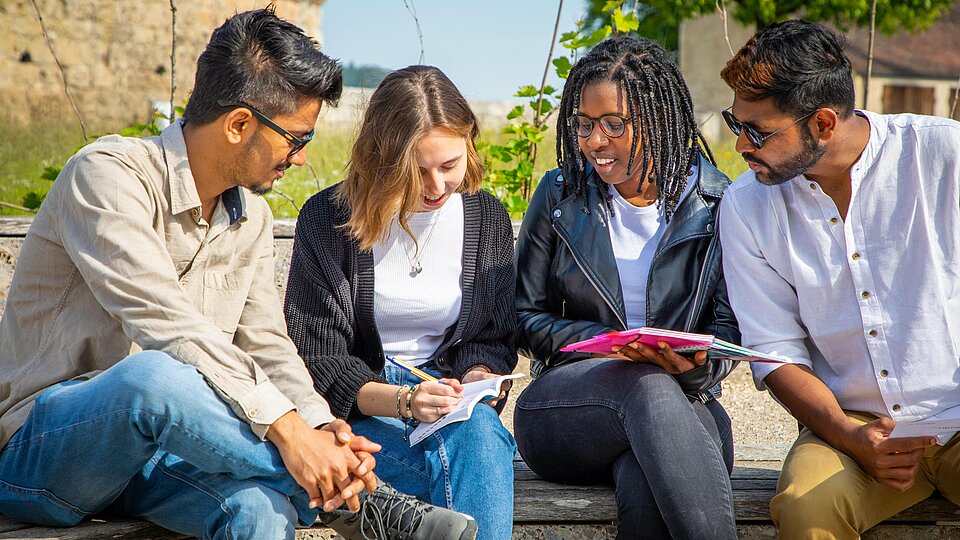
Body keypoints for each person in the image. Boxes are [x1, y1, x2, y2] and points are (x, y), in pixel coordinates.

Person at [0, 8, 475, 540]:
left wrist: (320, 427)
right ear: (239, 124)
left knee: (259, 510)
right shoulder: (107, 176)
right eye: (296, 139)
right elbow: (170, 327)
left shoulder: (250, 219)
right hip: (42, 453)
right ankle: (362, 504)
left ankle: (346, 491)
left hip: (161, 459)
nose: (298, 159)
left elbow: (268, 347)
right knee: (152, 377)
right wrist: (293, 436)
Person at [718, 19, 960, 539]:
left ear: (824, 124)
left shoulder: (945, 156)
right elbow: (774, 349)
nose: (740, 145)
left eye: (757, 131)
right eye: (735, 123)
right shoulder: (746, 205)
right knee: (808, 509)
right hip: (847, 424)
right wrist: (851, 436)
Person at [512, 36, 739, 539]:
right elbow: (522, 316)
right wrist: (607, 344)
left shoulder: (719, 203)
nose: (595, 141)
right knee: (645, 385)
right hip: (566, 412)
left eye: (613, 124)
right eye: (584, 125)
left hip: (684, 406)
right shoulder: (559, 195)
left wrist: (699, 365)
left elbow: (727, 329)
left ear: (658, 117)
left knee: (646, 476)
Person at [284, 65, 518, 540]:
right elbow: (319, 361)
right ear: (383, 160)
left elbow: (490, 338)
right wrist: (406, 401)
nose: (435, 188)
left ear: (469, 143)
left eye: (449, 165)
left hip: (451, 408)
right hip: (363, 415)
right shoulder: (329, 219)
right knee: (477, 451)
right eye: (417, 170)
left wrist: (477, 376)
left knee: (478, 436)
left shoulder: (486, 216)